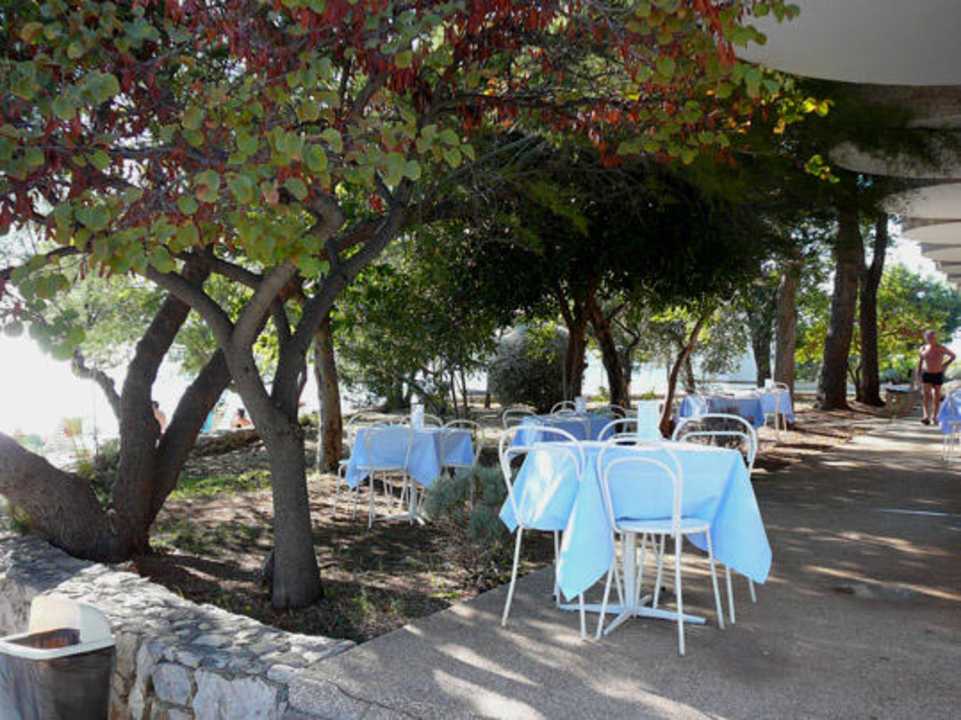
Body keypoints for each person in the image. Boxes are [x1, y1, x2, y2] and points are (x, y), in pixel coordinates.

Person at [917, 330, 955, 425]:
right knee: (926, 395)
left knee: (936, 396)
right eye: (928, 337)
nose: (931, 339)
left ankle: (935, 416)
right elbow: (920, 361)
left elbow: (953, 356)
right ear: (926, 338)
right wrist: (918, 373)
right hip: (926, 374)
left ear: (935, 338)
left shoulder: (941, 348)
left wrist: (945, 365)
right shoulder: (923, 348)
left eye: (932, 337)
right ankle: (925, 416)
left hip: (937, 374)